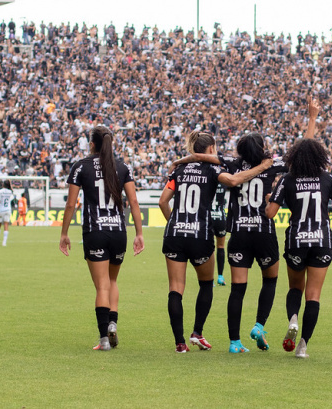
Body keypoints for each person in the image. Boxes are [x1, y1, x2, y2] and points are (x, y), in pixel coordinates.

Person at [159, 130, 273, 353]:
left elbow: (163, 202)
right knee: (205, 284)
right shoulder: (213, 169)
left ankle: (180, 343)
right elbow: (232, 180)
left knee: (175, 289)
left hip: (175, 233)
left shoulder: (179, 169)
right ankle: (197, 333)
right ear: (211, 149)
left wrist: (174, 223)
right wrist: (262, 167)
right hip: (200, 234)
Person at [59, 125, 144, 351]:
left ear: (92, 143)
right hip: (118, 231)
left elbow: (71, 204)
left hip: (95, 231)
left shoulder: (80, 167)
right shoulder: (122, 167)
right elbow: (134, 203)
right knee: (113, 281)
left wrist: (64, 233)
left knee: (101, 286)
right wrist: (139, 233)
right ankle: (113, 324)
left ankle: (103, 339)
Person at [265, 138, 332, 358]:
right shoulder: (328, 178)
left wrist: (270, 200)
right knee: (313, 295)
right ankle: (302, 346)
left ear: (295, 157)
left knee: (295, 288)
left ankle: (293, 318)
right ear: (320, 156)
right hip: (321, 240)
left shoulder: (287, 179)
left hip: (296, 240)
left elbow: (270, 213)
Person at [211, 182, 228, 286]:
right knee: (221, 246)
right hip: (220, 217)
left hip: (208, 217)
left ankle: (210, 278)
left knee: (209, 249)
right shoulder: (224, 180)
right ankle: (220, 276)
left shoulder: (207, 178)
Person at [0, 180, 14, 246]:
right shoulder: (10, 192)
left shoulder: (0, 192)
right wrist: (10, 183)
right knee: (6, 225)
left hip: (1, 210)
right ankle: (4, 243)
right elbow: (12, 189)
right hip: (8, 210)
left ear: (3, 184)